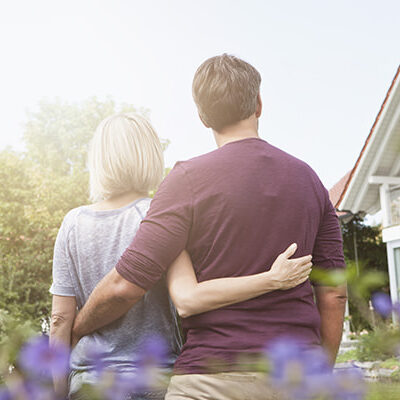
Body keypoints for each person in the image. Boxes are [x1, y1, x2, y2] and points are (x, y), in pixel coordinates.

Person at [71, 54, 347, 400]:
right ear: (258, 104)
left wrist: (76, 328)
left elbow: (125, 286)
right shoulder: (309, 180)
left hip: (210, 380)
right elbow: (334, 294)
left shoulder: (185, 181)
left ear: (202, 116)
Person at [49, 113, 312, 400]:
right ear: (149, 155)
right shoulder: (160, 216)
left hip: (89, 382)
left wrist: (59, 391)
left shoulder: (72, 224)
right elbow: (188, 297)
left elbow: (60, 318)